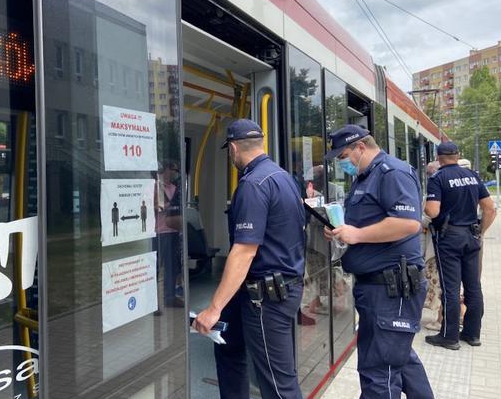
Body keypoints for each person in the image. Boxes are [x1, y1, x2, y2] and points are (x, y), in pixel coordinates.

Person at [192, 118, 306, 399]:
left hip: (266, 298)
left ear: (232, 148)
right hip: (271, 288)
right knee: (228, 345)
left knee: (278, 384)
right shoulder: (284, 178)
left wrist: (214, 308)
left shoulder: (253, 185)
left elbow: (244, 252)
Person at [322, 124, 434, 398]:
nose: (341, 162)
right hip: (377, 288)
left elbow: (408, 224)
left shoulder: (392, 172)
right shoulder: (364, 177)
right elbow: (371, 222)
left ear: (361, 147)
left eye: (343, 155)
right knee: (399, 357)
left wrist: (357, 234)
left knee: (379, 373)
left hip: (391, 288)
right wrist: (341, 230)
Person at [424, 142, 497, 350]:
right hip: (471, 236)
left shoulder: (437, 178)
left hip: (449, 238)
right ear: (457, 155)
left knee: (450, 288)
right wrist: (480, 232)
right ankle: (472, 334)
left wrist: (427, 210)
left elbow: (433, 211)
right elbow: (490, 209)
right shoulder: (473, 176)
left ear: (439, 158)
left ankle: (449, 336)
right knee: (474, 287)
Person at [156, 160, 184, 308]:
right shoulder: (155, 186)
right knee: (156, 267)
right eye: (174, 169)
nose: (176, 173)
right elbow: (153, 206)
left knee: (172, 267)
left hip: (173, 231)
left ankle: (170, 297)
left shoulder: (174, 188)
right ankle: (152, 302)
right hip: (160, 233)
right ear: (167, 169)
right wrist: (170, 206)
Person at [421, 161, 443, 331]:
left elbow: (429, 217)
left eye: (430, 174)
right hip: (455, 244)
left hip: (438, 245)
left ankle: (441, 319)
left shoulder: (436, 194)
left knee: (438, 282)